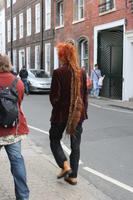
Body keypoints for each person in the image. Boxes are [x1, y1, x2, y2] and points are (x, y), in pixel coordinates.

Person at [49, 42, 88, 185]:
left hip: (61, 114)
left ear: (62, 56)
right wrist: (83, 112)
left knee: (54, 139)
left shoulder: (58, 72)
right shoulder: (81, 72)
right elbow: (84, 96)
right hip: (78, 114)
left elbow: (54, 97)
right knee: (75, 145)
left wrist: (58, 107)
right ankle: (73, 177)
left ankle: (65, 165)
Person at [0, 54, 30, 200]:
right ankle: (23, 196)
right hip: (13, 130)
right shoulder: (17, 82)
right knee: (17, 162)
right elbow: (19, 102)